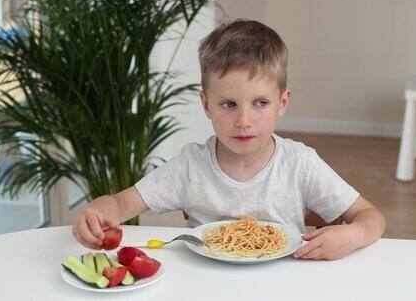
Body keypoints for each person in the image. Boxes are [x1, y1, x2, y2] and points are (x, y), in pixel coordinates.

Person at [72, 19, 386, 260]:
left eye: (260, 103)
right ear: (206, 105)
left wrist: (352, 237)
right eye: (229, 104)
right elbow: (121, 203)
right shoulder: (191, 166)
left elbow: (371, 217)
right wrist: (97, 214)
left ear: (283, 103)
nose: (244, 121)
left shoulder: (299, 163)